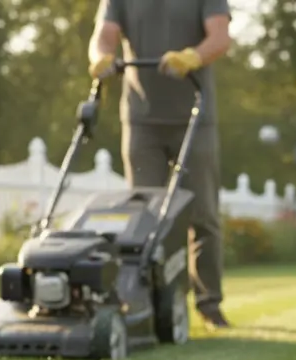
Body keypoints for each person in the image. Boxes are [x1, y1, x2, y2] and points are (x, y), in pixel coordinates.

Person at [89, 0, 233, 329]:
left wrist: (193, 57)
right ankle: (150, 304)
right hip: (141, 119)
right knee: (144, 217)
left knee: (202, 215)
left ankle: (209, 303)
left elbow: (220, 36)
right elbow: (105, 34)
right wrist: (101, 59)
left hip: (195, 116)